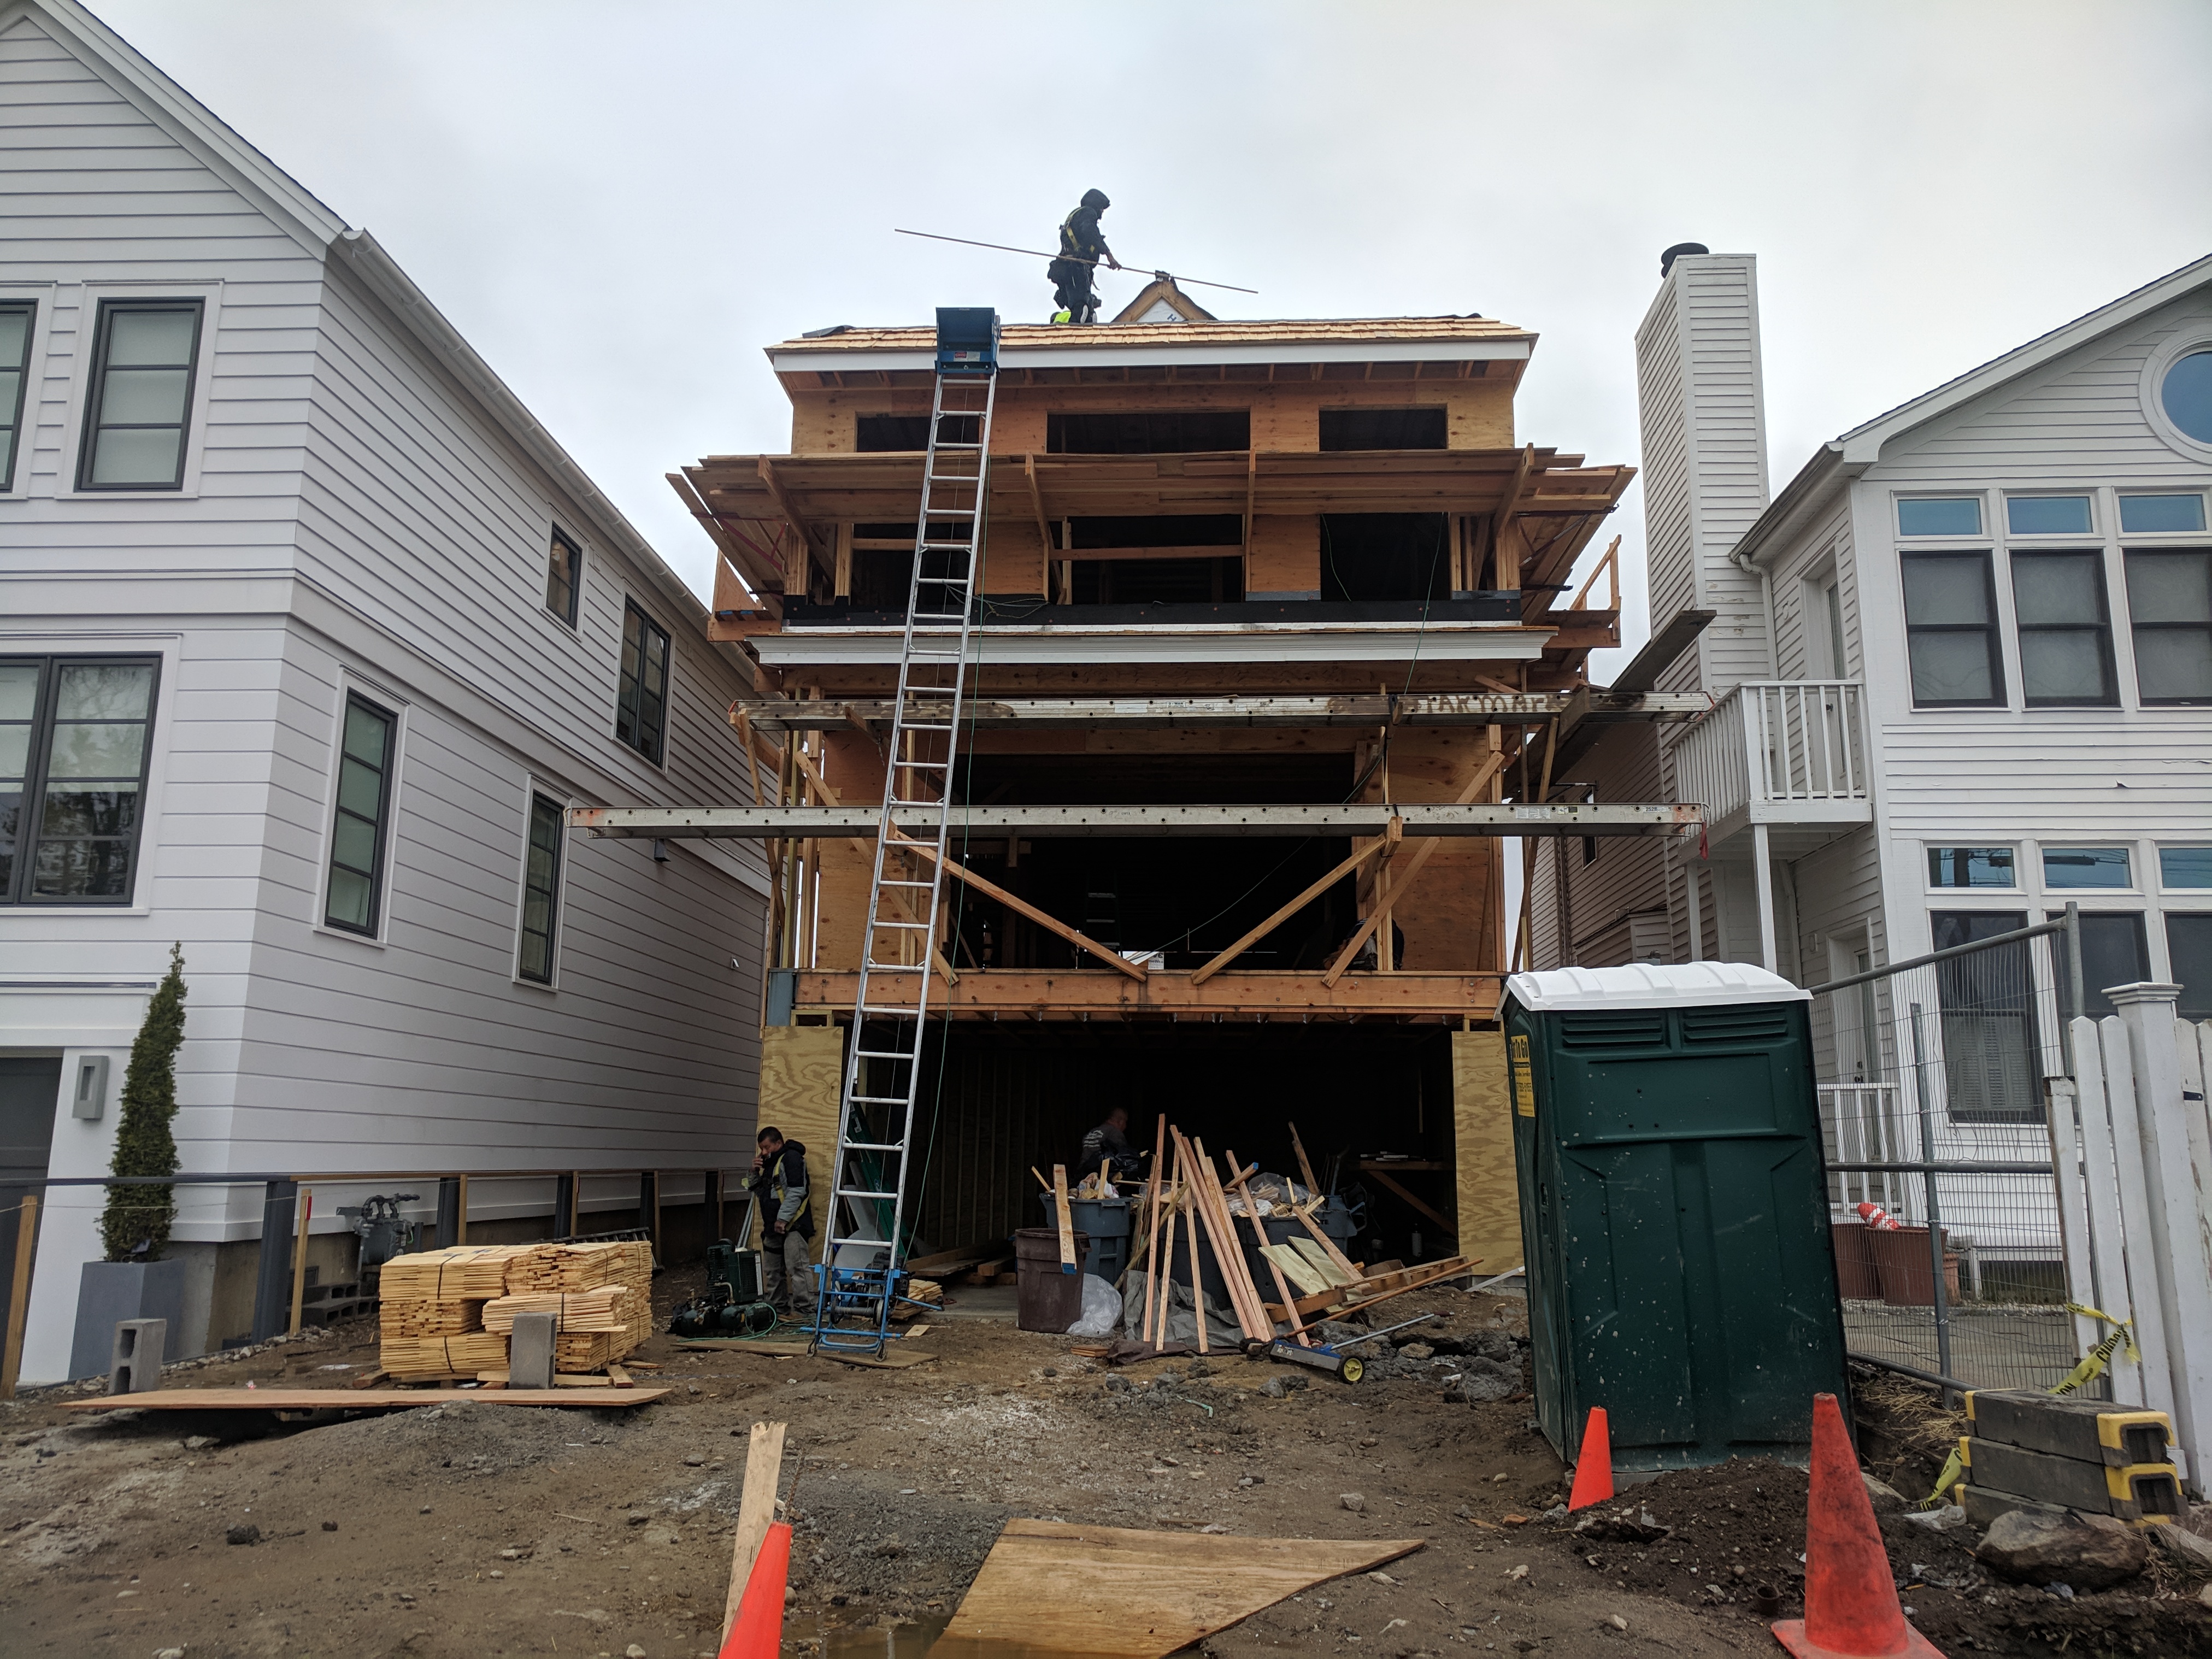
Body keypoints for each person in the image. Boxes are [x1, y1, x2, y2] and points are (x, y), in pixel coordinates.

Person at [746, 1125, 814, 1311]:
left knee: (797, 1268)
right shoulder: (769, 1165)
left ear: (779, 1143)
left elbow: (797, 1191)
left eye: (767, 1147)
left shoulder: (791, 1159)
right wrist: (753, 1172)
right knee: (773, 1271)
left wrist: (783, 1219)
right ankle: (778, 1309)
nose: (764, 1152)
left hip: (794, 1224)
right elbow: (759, 1192)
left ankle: (805, 1309)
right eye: (761, 1148)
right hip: (772, 1226)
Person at [1048, 189, 1120, 323]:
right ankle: (1071, 335)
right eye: (1101, 210)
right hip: (1075, 267)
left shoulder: (1077, 216)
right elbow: (1090, 232)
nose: (1101, 216)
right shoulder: (1088, 213)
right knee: (1081, 309)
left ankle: (1076, 325)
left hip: (1069, 268)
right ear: (1096, 206)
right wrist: (1108, 255)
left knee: (1088, 313)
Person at [1078, 1105, 1145, 1184]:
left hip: (1083, 1177)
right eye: (1125, 1121)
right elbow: (1123, 1157)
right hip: (1101, 1179)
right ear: (1120, 1121)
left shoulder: (1091, 1133)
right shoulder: (1114, 1133)